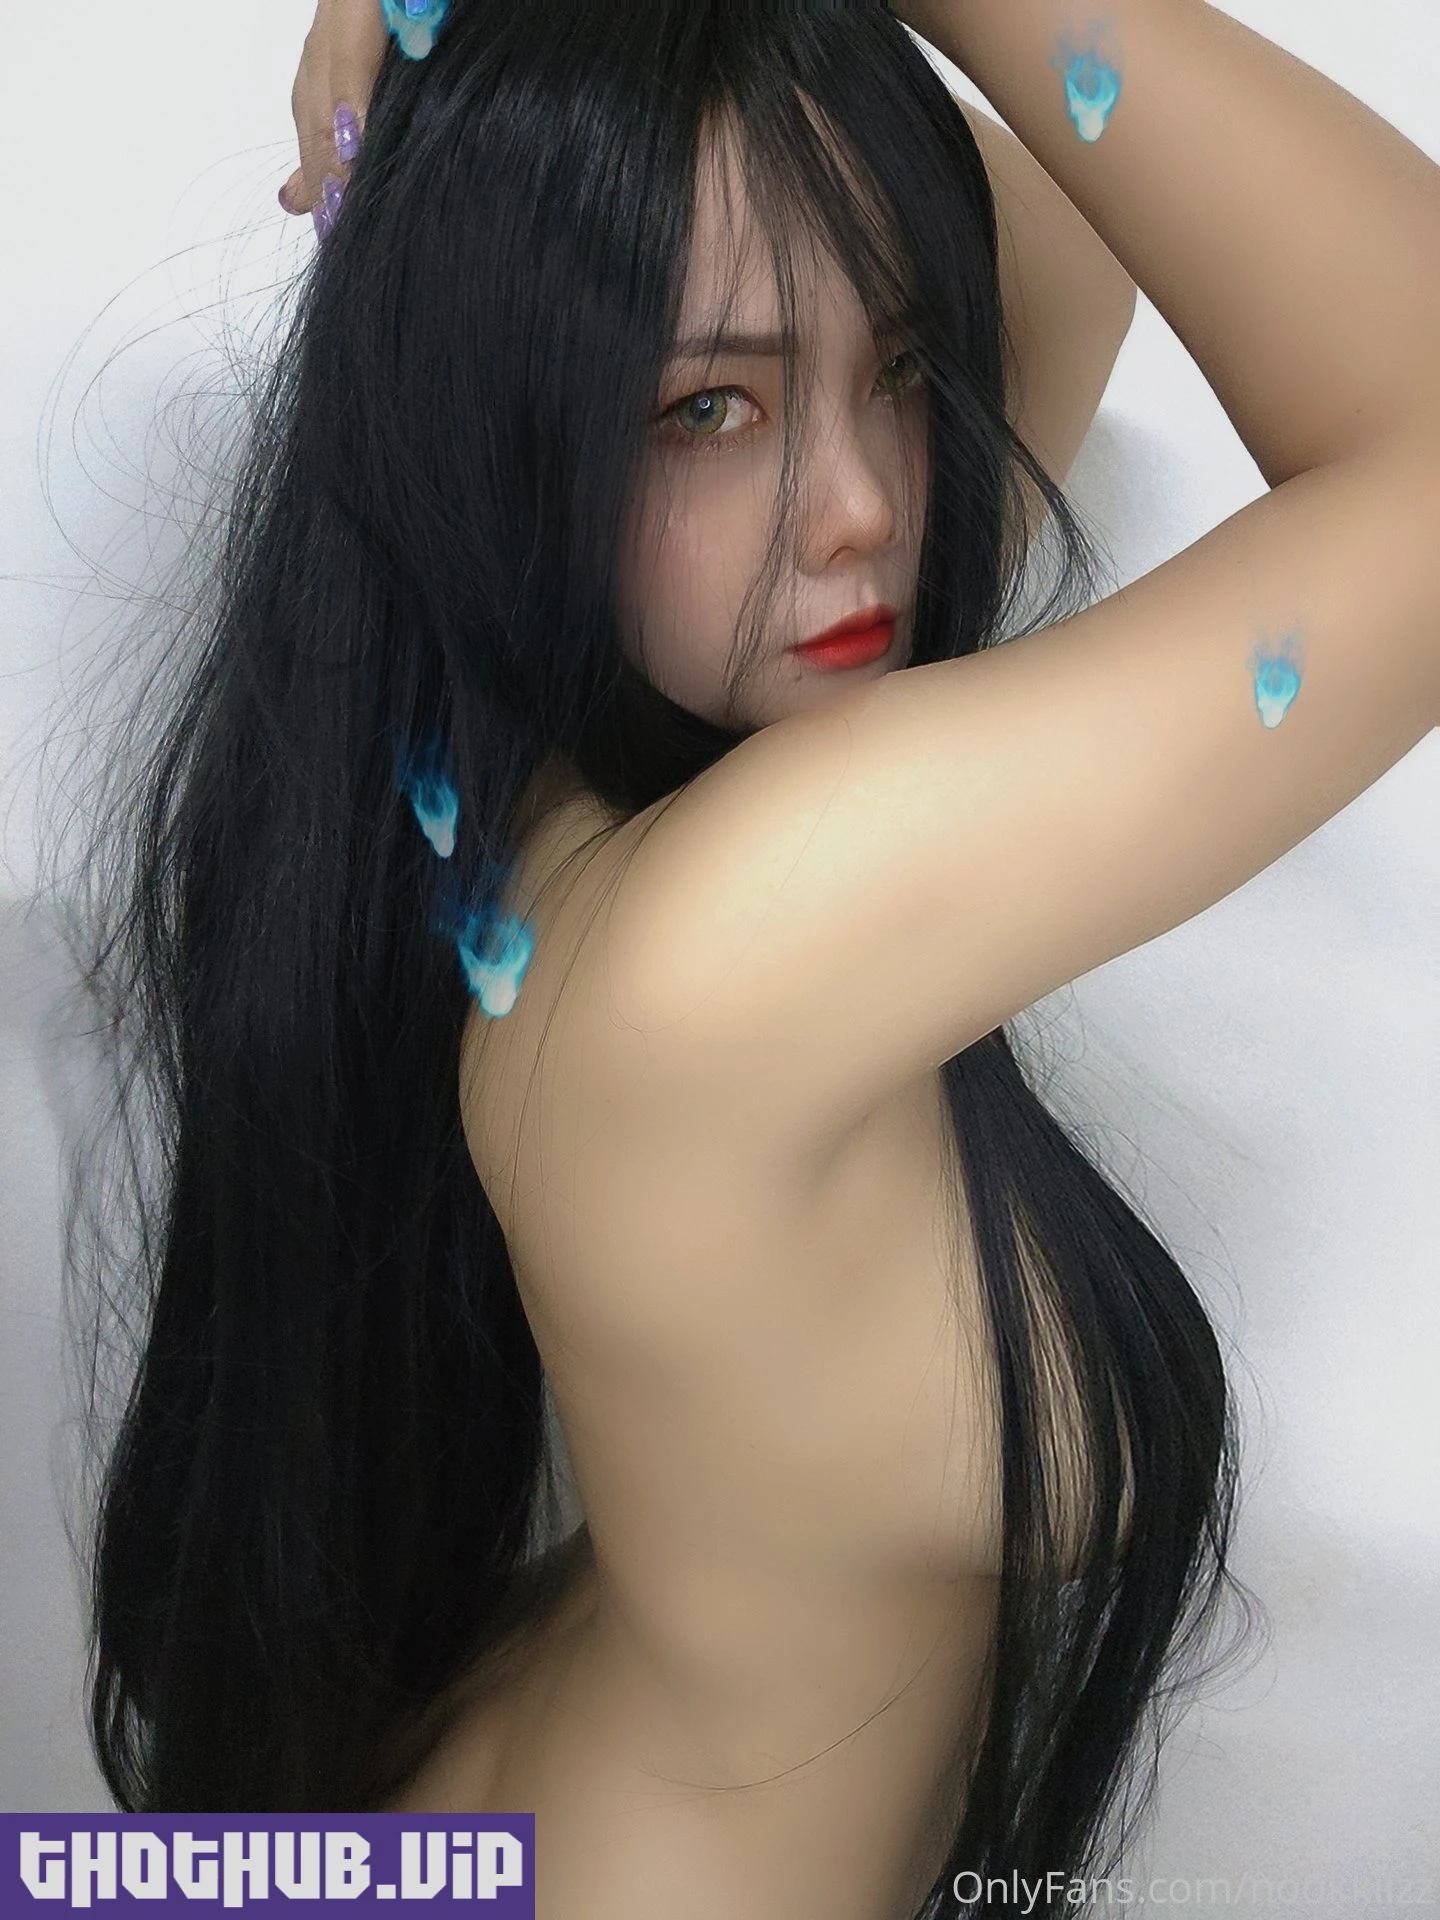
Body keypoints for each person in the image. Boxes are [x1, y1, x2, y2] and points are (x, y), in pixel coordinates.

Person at [52, 0, 1439, 1914]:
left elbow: (1070, 223)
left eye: (901, 367)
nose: (865, 508)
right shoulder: (739, 935)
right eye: (710, 407)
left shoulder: (518, 774)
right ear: (503, 418)